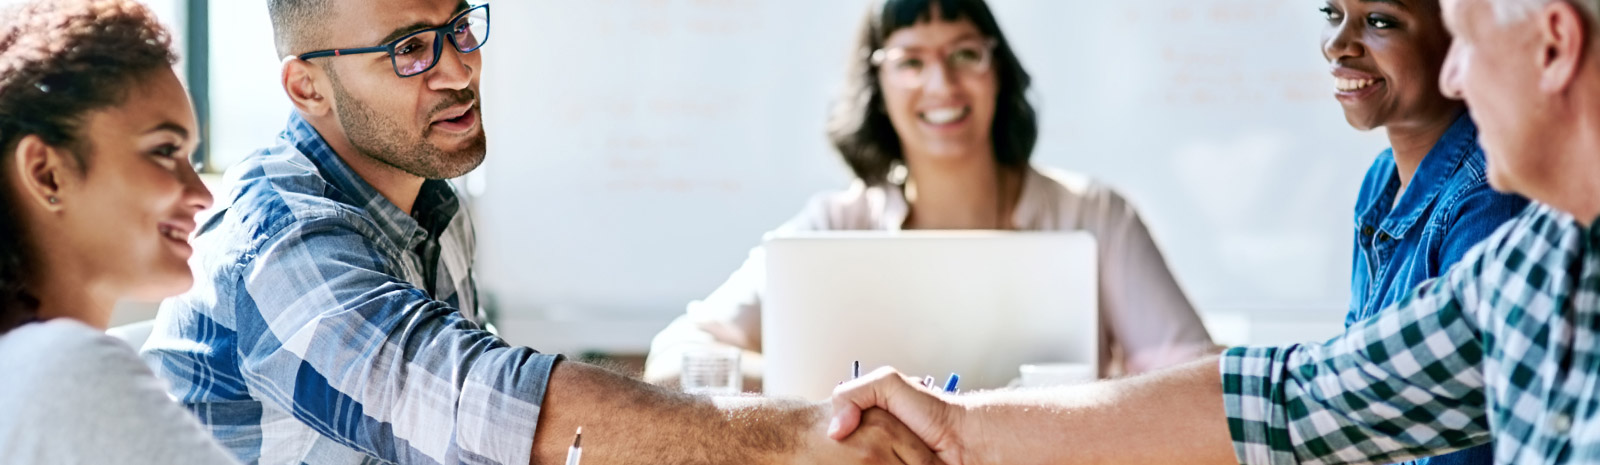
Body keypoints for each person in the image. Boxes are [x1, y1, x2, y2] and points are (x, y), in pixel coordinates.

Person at [141, 1, 940, 464]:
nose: (458, 69)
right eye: (408, 51)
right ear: (307, 87)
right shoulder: (280, 239)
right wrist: (793, 438)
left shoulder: (425, 202)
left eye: (457, 26)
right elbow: (484, 401)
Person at [827, 0, 1600, 463]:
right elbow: (1296, 402)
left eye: (1466, 39)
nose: (1459, 78)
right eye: (1331, 17)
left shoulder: (1497, 216)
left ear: (1556, 44)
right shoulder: (1539, 264)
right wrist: (964, 429)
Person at [645, 0, 1214, 389]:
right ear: (878, 87)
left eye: (964, 53)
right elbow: (673, 360)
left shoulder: (1095, 215)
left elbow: (1197, 383)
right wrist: (818, 387)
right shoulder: (833, 227)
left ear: (998, 70)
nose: (941, 83)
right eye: (911, 61)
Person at [0, 1, 239, 463]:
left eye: (191, 155)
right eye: (164, 150)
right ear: (47, 173)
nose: (200, 194)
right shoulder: (66, 370)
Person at [1324, 0, 1530, 461]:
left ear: (1460, 38)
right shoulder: (1382, 179)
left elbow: (1458, 426)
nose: (1337, 45)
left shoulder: (1492, 194)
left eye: (1380, 21)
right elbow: (1353, 375)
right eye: (1331, 12)